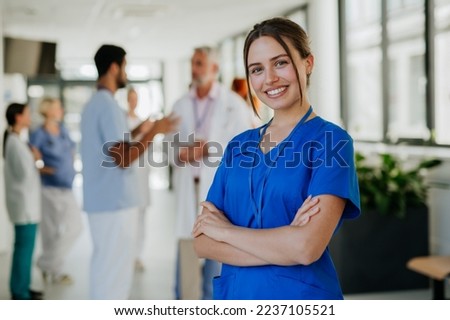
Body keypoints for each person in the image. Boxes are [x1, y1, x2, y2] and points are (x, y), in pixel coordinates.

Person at [192, 17, 361, 299]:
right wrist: (286, 242)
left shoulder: (331, 143)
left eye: (280, 63)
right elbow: (202, 243)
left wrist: (226, 231)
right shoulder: (238, 147)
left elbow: (307, 248)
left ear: (308, 63)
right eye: (257, 69)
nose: (269, 79)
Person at [80, 44, 177, 299]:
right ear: (114, 67)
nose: (126, 72)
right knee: (115, 276)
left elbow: (113, 145)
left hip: (103, 202)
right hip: (115, 204)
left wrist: (141, 131)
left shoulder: (96, 103)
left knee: (105, 270)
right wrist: (155, 131)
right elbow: (123, 157)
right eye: (124, 66)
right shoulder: (108, 105)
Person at [166, 46, 253, 300]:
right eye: (193, 63)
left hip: (217, 191)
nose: (194, 68)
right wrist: (183, 153)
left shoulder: (233, 104)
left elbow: (245, 149)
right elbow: (170, 146)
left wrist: (209, 150)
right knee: (187, 255)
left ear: (214, 68)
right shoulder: (180, 104)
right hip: (187, 186)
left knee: (216, 260)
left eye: (200, 63)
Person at [30, 97, 82, 285]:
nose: (61, 110)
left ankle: (45, 263)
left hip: (67, 186)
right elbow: (31, 156)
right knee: (50, 231)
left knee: (75, 227)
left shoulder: (63, 131)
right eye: (58, 107)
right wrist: (43, 168)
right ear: (49, 110)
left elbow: (71, 151)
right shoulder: (39, 133)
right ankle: (55, 271)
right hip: (49, 188)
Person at [3, 103, 43, 300]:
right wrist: (35, 159)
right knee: (23, 252)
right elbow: (24, 175)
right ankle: (19, 292)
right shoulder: (14, 144)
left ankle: (24, 287)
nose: (30, 117)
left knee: (26, 251)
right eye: (27, 114)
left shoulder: (16, 141)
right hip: (24, 208)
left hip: (26, 207)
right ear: (18, 117)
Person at [126, 87, 151, 271]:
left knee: (141, 216)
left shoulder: (144, 122)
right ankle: (127, 253)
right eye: (131, 98)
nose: (133, 101)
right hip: (128, 174)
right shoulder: (123, 121)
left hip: (142, 173)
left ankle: (137, 256)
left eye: (136, 98)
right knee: (129, 217)